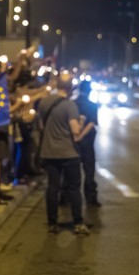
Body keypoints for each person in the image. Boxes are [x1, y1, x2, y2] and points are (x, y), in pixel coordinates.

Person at [37, 72, 89, 237]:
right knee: (73, 188)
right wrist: (81, 121)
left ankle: (52, 223)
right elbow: (75, 130)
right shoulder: (70, 106)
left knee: (52, 188)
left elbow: (40, 124)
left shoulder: (44, 102)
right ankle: (78, 222)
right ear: (70, 88)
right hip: (69, 152)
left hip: (49, 152)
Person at [74, 80, 100, 206]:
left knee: (72, 171)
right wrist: (82, 135)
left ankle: (66, 196)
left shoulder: (72, 104)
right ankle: (91, 198)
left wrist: (77, 136)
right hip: (88, 142)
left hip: (73, 142)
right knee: (89, 171)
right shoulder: (92, 105)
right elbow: (92, 123)